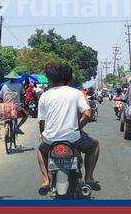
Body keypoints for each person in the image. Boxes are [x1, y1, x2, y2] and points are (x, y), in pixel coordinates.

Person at [36, 63, 100, 195]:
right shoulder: (76, 93)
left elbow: (42, 122)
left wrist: (43, 134)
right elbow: (88, 114)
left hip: (50, 139)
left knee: (41, 151)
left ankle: (45, 180)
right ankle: (89, 177)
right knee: (94, 146)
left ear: (49, 78)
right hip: (74, 138)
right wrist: (78, 127)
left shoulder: (44, 96)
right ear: (67, 77)